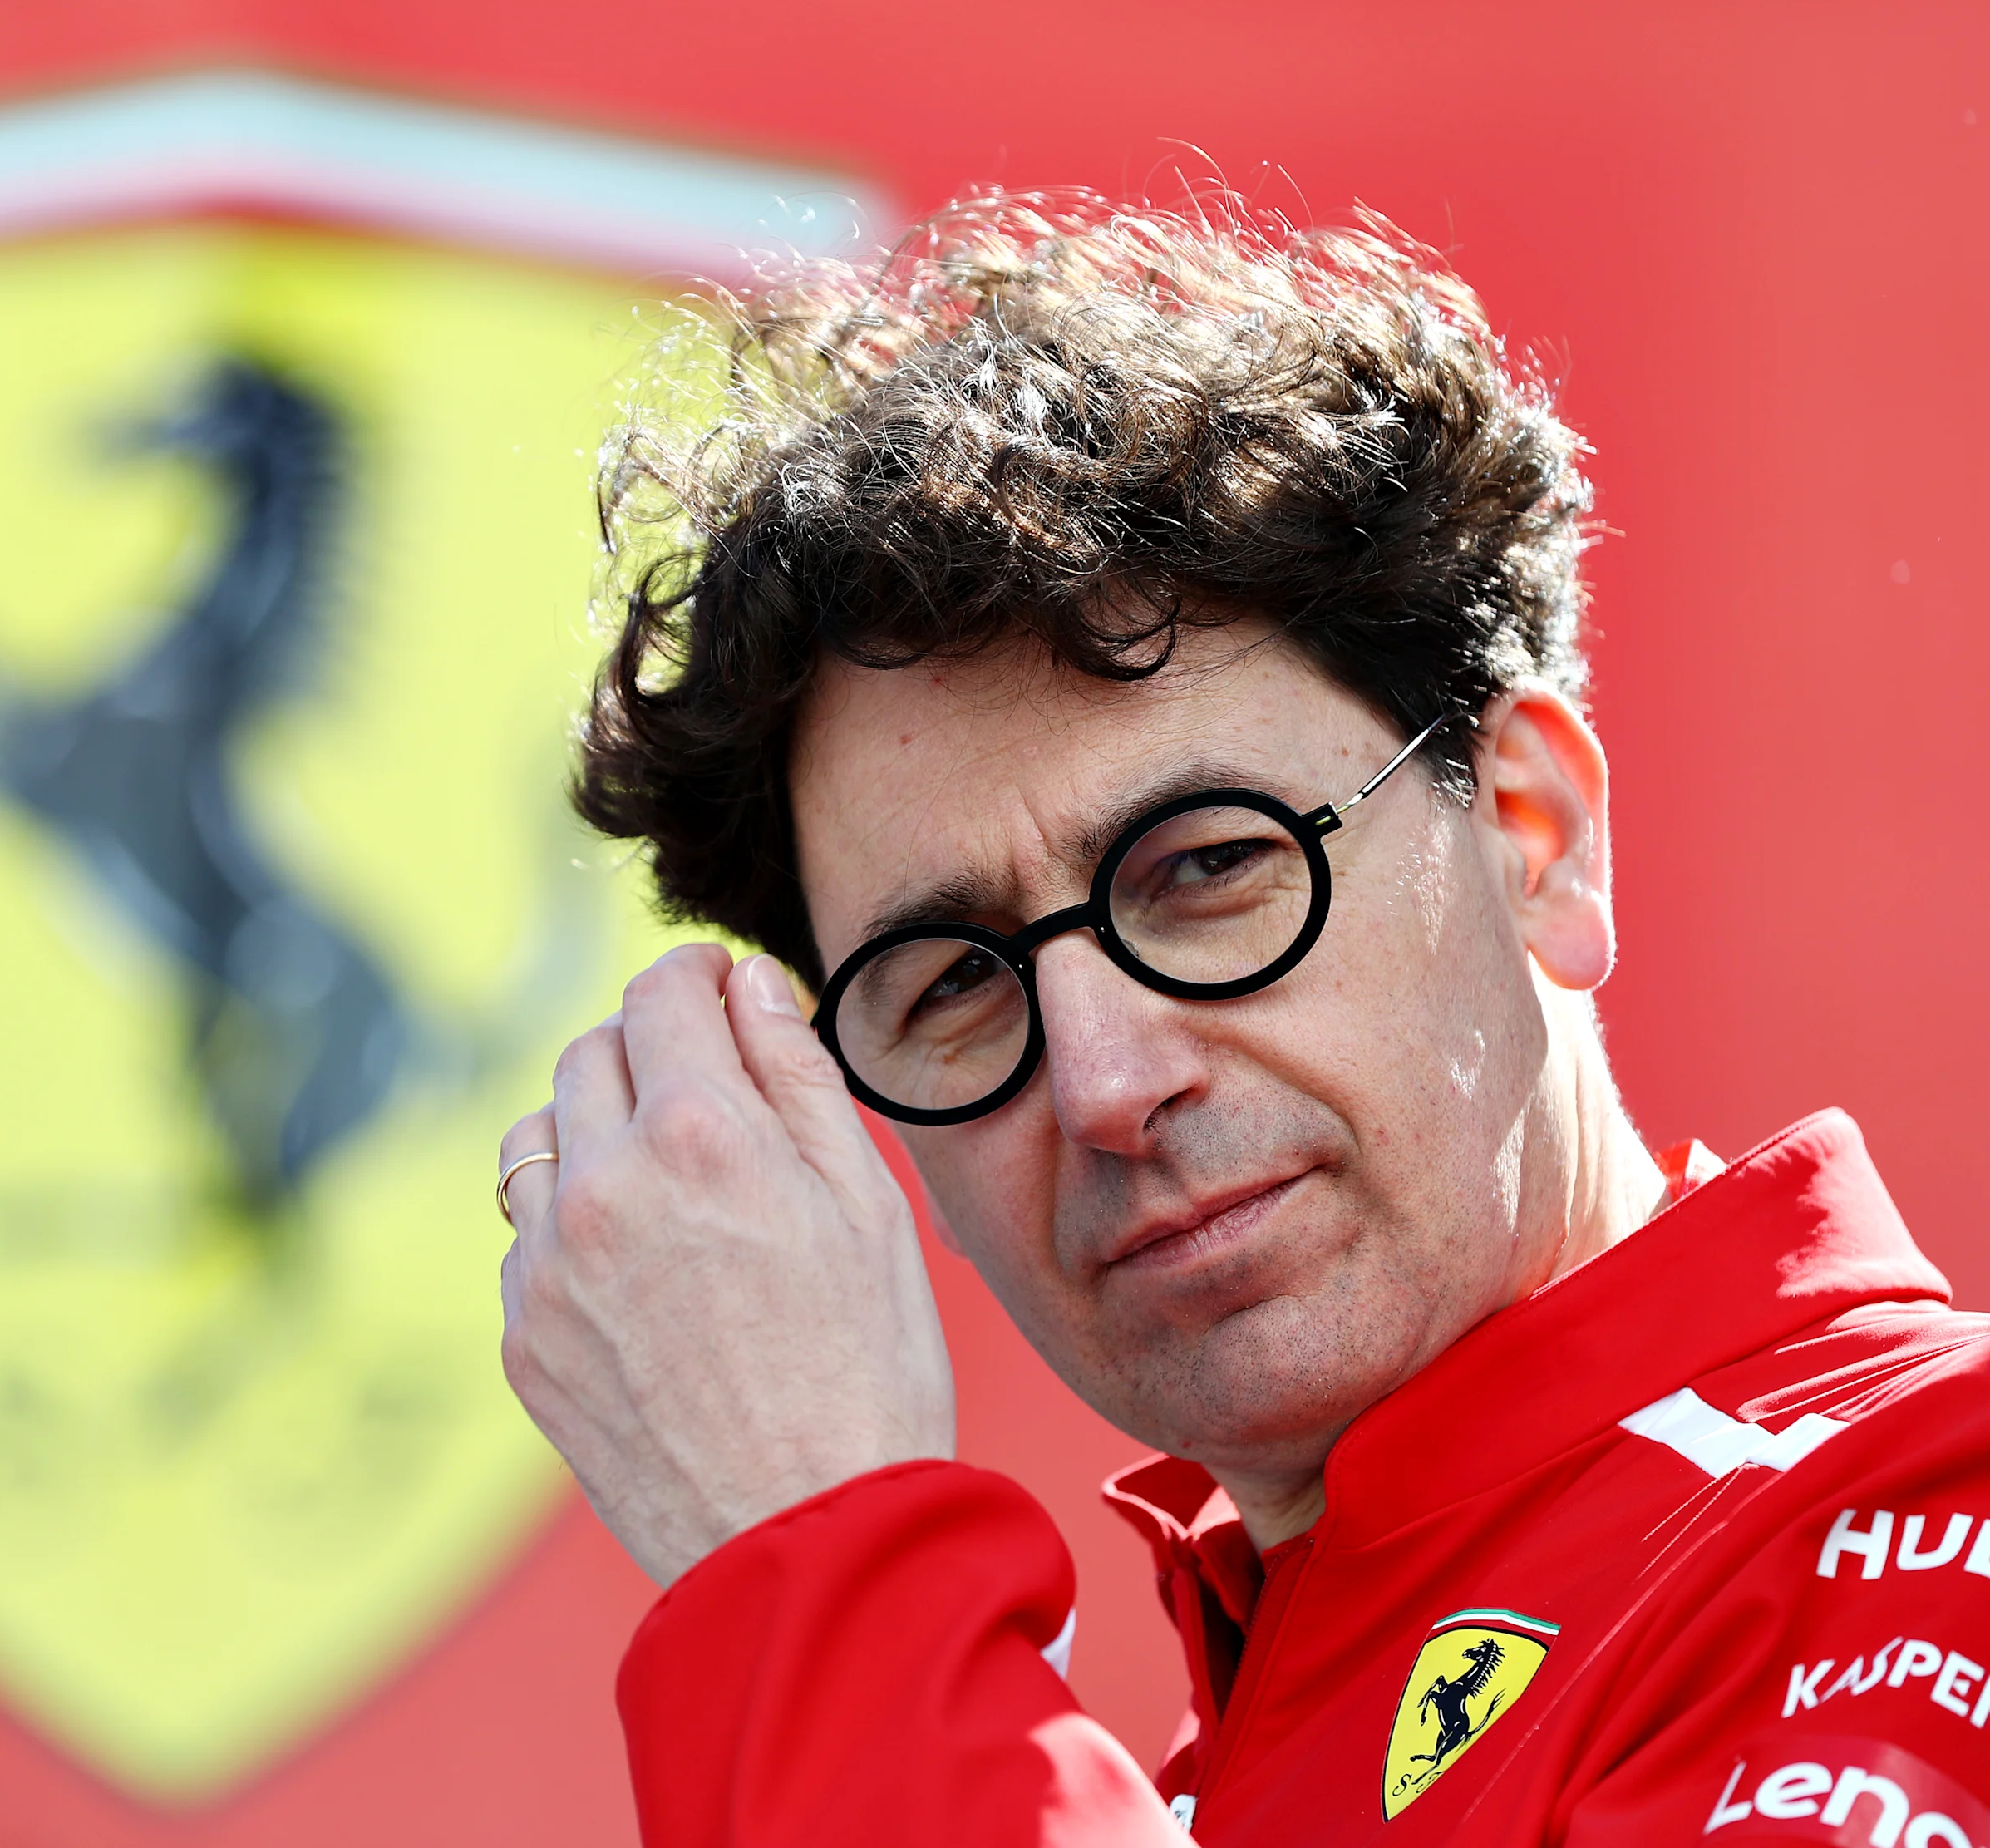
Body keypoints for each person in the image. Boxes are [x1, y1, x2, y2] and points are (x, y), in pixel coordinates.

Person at [490, 196, 1990, 1846]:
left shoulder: (1931, 1498)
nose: (1109, 1081)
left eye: (1207, 867)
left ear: (1533, 829)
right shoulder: (1175, 1789)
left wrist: (822, 1565)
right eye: (953, 983)